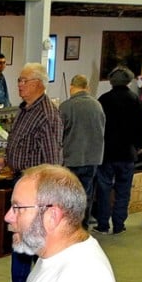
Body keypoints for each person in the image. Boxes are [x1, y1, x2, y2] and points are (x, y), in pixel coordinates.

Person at [0, 62, 63, 282]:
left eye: (24, 81)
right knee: (20, 237)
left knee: (29, 239)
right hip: (21, 180)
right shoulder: (25, 110)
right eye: (19, 80)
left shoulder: (47, 115)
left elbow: (53, 159)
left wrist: (46, 193)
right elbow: (21, 144)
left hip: (37, 188)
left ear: (39, 84)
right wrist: (6, 159)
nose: (19, 85)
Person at [93, 66, 142, 235]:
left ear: (111, 81)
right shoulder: (135, 100)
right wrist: (139, 146)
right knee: (123, 190)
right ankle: (119, 224)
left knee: (104, 190)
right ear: (128, 80)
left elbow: (97, 127)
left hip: (107, 153)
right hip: (127, 154)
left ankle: (102, 224)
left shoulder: (104, 100)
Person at [59, 74, 105, 225]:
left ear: (71, 87)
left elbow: (58, 134)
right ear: (87, 87)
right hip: (92, 159)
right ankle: (83, 228)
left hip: (71, 159)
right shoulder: (97, 105)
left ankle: (70, 229)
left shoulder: (66, 106)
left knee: (69, 198)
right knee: (86, 195)